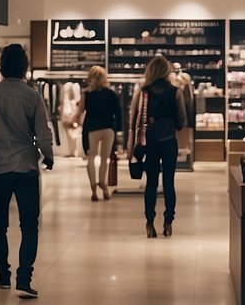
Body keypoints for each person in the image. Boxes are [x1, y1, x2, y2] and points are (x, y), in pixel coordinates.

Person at [0, 44, 54, 298]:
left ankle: (3, 274)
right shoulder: (32, 95)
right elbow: (43, 132)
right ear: (24, 66)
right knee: (29, 225)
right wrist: (48, 156)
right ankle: (24, 277)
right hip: (26, 166)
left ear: (2, 66)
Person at [128, 55, 187, 238]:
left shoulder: (143, 92)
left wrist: (132, 145)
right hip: (169, 140)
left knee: (151, 183)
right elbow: (181, 121)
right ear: (167, 71)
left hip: (149, 142)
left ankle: (149, 222)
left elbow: (134, 120)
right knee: (169, 182)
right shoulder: (175, 91)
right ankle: (168, 221)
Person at [79, 65, 120, 201]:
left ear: (90, 78)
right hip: (108, 128)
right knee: (105, 158)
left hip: (92, 128)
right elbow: (118, 113)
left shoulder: (86, 94)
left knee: (91, 157)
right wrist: (118, 129)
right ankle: (103, 184)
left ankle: (93, 190)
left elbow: (80, 111)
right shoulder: (111, 93)